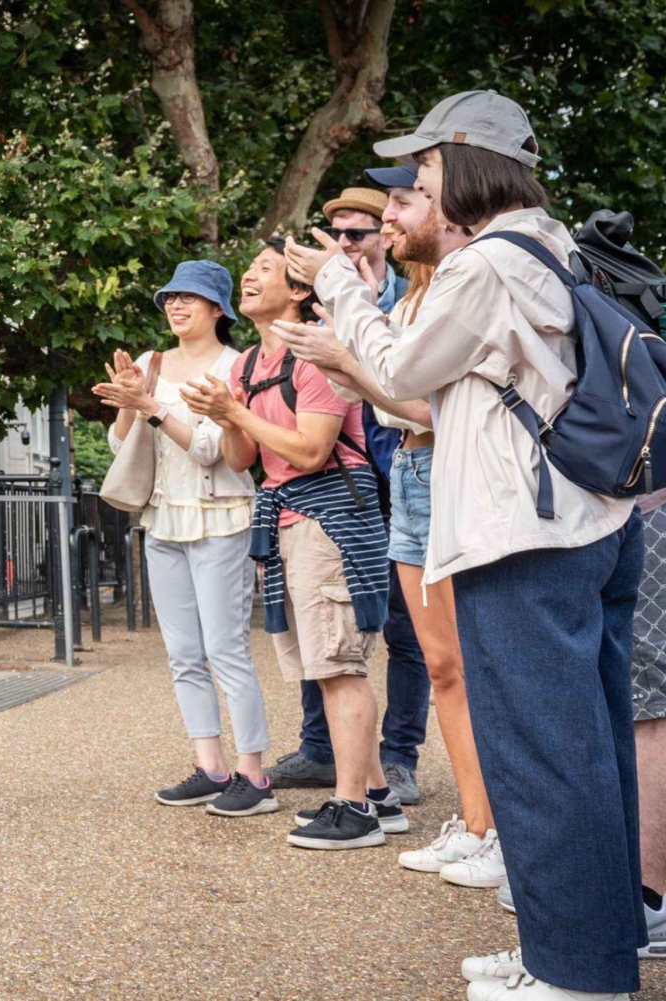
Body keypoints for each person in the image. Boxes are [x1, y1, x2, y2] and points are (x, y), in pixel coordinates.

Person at [282, 91, 644, 1000]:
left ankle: (575, 973)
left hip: (521, 539)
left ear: (472, 166)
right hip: (582, 524)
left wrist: (342, 292)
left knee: (542, 752)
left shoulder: (490, 264)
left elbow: (401, 371)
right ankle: (587, 948)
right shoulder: (551, 249)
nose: (419, 188)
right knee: (587, 749)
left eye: (428, 171)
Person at [281, 167, 503, 887]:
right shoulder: (412, 293)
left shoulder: (463, 285)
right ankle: (477, 824)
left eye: (401, 202)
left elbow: (432, 408)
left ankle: (495, 827)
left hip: (443, 470)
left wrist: (346, 361)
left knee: (464, 666)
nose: (387, 220)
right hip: (408, 476)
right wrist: (346, 370)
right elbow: (395, 400)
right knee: (443, 666)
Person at [182, 241, 403, 851]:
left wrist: (235, 412)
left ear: (300, 291)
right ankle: (380, 798)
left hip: (333, 516)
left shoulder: (318, 354)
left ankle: (353, 808)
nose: (248, 277)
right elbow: (243, 458)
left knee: (339, 665)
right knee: (321, 664)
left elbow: (310, 450)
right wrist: (228, 416)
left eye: (264, 270)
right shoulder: (246, 364)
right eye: (249, 269)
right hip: (289, 519)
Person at [500, 468, 666, 964]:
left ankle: (644, 902)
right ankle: (602, 897)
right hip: (595, 511)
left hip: (642, 505)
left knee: (654, 706)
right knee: (607, 704)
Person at [265, 185, 432, 810]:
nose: (343, 245)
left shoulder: (408, 299)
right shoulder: (319, 311)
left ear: (384, 238)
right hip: (346, 493)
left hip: (404, 482)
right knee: (323, 623)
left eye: (357, 234)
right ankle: (322, 749)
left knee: (406, 632)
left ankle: (397, 758)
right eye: (335, 235)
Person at [92, 260, 272, 818]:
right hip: (163, 518)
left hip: (222, 515)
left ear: (218, 308)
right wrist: (129, 402)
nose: (175, 305)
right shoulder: (151, 362)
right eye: (169, 297)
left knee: (226, 650)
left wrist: (151, 406)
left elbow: (210, 449)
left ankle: (254, 775)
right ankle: (211, 766)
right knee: (183, 653)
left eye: (189, 297)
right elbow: (122, 442)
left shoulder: (236, 365)